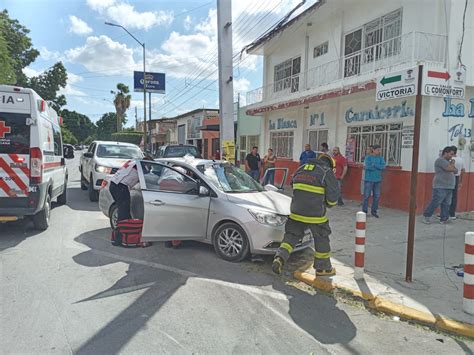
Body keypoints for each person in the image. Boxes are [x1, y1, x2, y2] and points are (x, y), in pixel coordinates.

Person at [272, 153, 340, 276]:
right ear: (330, 165)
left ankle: (280, 258)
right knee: (321, 237)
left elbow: (293, 185)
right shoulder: (326, 172)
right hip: (315, 214)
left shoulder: (301, 168)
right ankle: (323, 268)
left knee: (291, 236)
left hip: (296, 211)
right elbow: (332, 200)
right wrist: (326, 202)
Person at [422, 146, 458, 224]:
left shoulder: (448, 162)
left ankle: (444, 218)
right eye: (450, 154)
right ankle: (427, 216)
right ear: (445, 153)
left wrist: (452, 166)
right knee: (436, 201)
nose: (451, 156)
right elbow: (449, 169)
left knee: (447, 203)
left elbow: (456, 171)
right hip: (440, 185)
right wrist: (452, 164)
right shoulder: (440, 160)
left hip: (449, 186)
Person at [362, 144, 386, 218]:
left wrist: (374, 165)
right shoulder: (368, 157)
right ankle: (364, 211)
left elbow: (383, 167)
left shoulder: (381, 158)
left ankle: (374, 211)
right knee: (366, 195)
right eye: (378, 150)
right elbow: (368, 167)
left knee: (377, 196)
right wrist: (377, 166)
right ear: (374, 150)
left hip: (377, 180)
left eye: (380, 150)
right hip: (369, 179)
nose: (379, 151)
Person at [448, 146, 464, 220]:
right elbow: (463, 170)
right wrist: (461, 181)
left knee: (447, 195)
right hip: (457, 177)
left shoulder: (451, 159)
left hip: (450, 177)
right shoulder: (460, 159)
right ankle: (452, 214)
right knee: (454, 196)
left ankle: (446, 213)